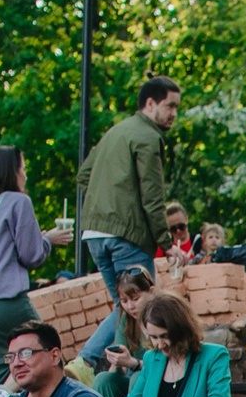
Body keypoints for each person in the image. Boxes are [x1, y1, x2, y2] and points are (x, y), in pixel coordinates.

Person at [0, 146, 71, 378]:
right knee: (49, 360)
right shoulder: (19, 201)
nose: (26, 175)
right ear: (12, 171)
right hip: (7, 305)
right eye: (23, 168)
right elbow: (32, 255)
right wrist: (48, 240)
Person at [76, 74, 181, 305]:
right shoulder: (148, 138)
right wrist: (166, 244)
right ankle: (94, 345)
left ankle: (94, 345)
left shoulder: (115, 132)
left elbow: (84, 176)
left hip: (94, 234)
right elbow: (152, 198)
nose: (174, 113)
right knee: (144, 308)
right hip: (126, 238)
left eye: (176, 107)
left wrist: (106, 203)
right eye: (170, 105)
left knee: (125, 310)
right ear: (151, 103)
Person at [77, 263, 155, 392]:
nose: (130, 306)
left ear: (151, 292)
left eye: (135, 299)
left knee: (137, 377)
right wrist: (117, 361)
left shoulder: (163, 315)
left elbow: (167, 362)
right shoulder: (126, 319)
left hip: (161, 379)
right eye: (124, 301)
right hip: (135, 380)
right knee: (103, 380)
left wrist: (134, 364)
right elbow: (118, 370)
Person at [156, 200, 198, 271]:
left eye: (181, 226)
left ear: (186, 219)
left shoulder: (199, 241)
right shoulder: (164, 248)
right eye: (173, 229)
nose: (178, 231)